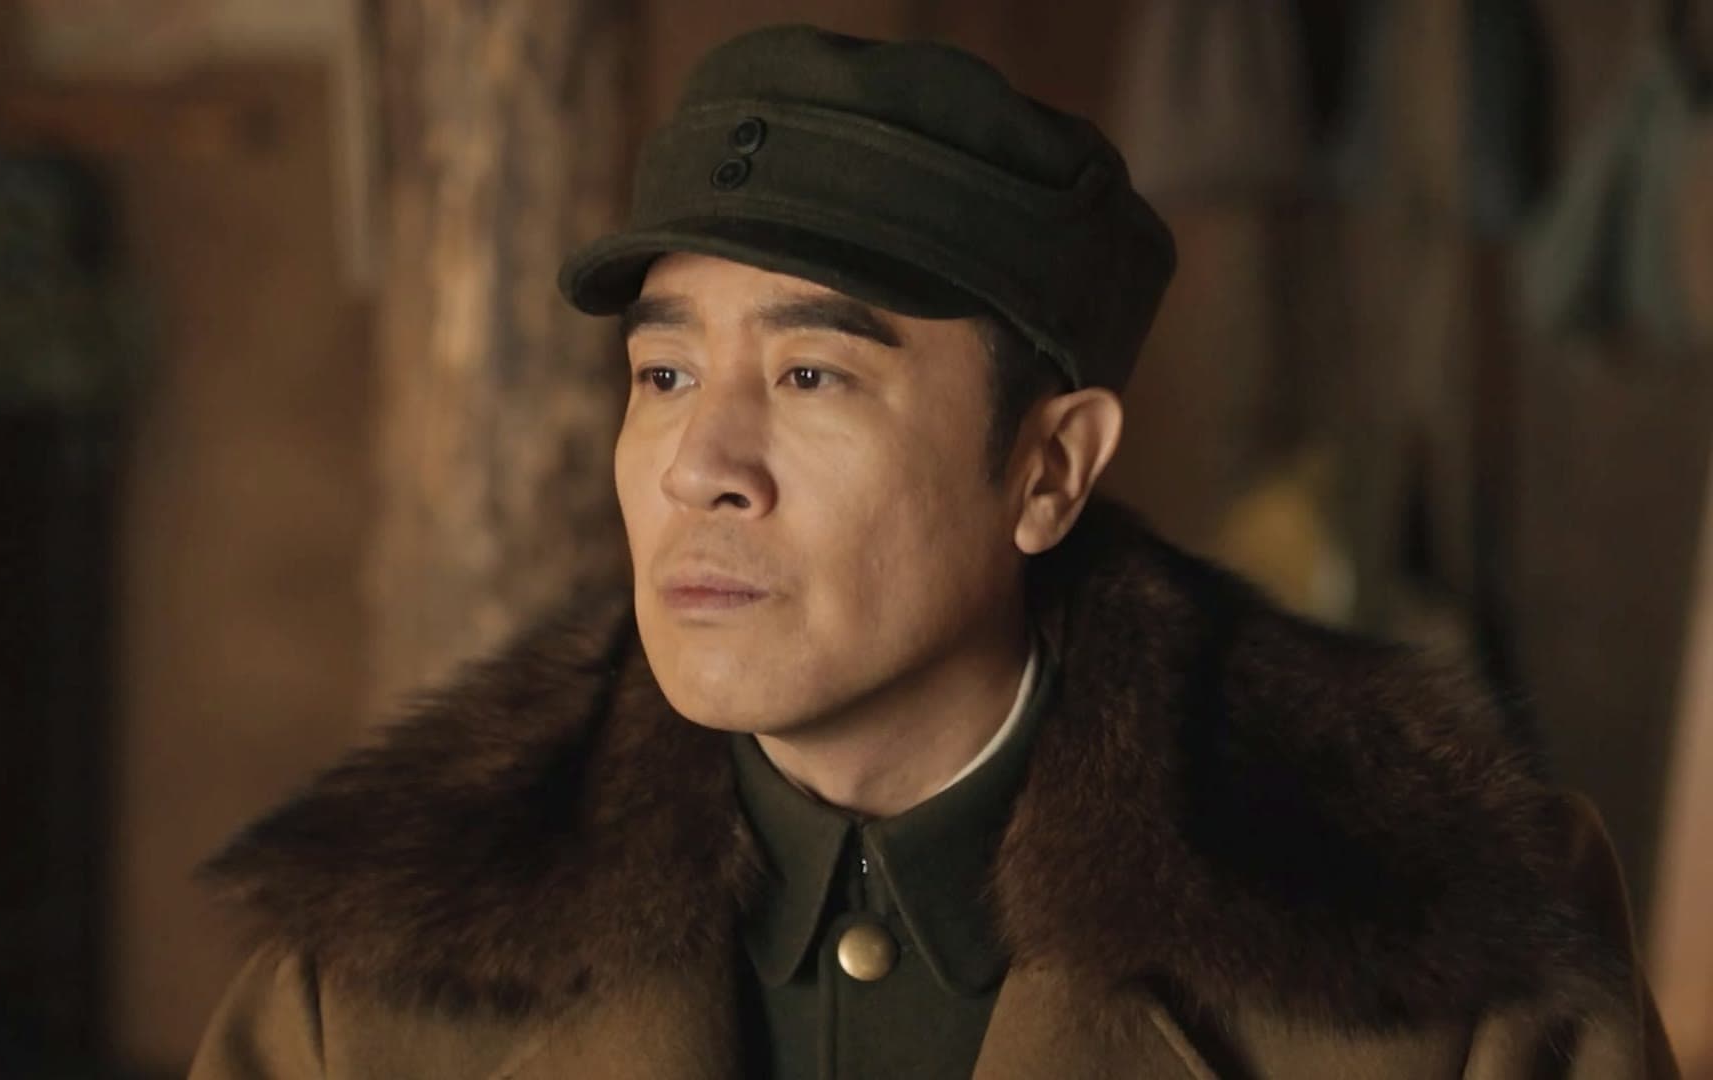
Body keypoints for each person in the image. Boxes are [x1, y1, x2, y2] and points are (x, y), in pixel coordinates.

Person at [189, 24, 1676, 1079]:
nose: (701, 465)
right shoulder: (375, 981)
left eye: (812, 375)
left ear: (1048, 469)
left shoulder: (1456, 969)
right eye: (664, 373)